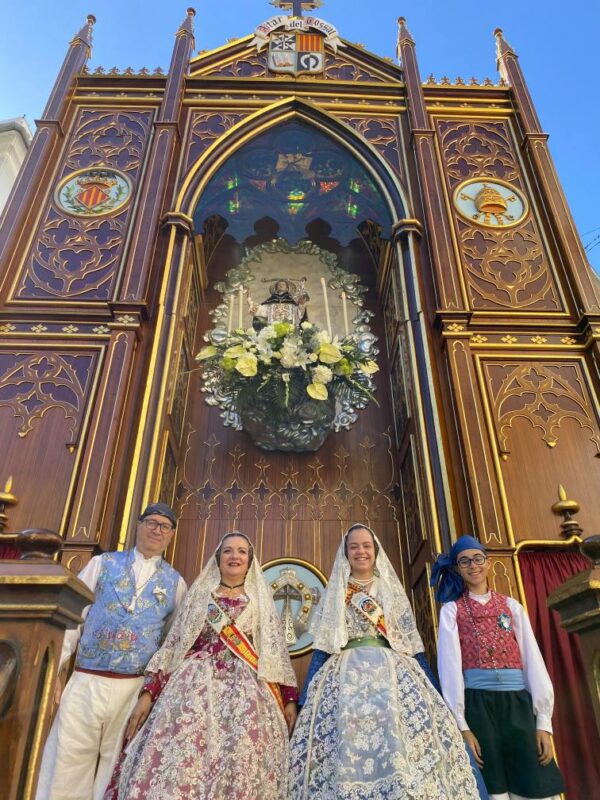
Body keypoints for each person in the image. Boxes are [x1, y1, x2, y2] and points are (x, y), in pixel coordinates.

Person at [288, 523, 482, 799]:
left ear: (376, 551)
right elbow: (323, 648)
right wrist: (305, 700)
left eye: (366, 545)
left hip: (390, 679)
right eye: (354, 546)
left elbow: (411, 645)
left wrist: (435, 693)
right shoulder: (336, 592)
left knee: (394, 746)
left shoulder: (389, 588)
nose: (360, 551)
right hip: (345, 682)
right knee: (348, 748)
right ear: (345, 553)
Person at [106, 531, 298, 800]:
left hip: (248, 691)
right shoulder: (199, 598)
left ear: (250, 561)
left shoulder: (261, 603)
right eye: (228, 550)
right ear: (218, 559)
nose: (235, 556)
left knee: (243, 755)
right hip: (193, 686)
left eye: (242, 551)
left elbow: (275, 652)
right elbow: (173, 646)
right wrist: (149, 693)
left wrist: (289, 697)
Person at [35, 503, 187, 800]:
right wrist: (55, 670)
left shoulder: (176, 583)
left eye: (164, 527)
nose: (157, 530)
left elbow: (172, 642)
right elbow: (72, 618)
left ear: (171, 536)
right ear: (138, 525)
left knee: (117, 767)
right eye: (151, 523)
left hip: (132, 688)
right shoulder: (102, 564)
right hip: (85, 680)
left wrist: (153, 693)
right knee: (67, 758)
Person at [431, 535, 565, 800]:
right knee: (492, 782)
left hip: (517, 704)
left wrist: (543, 722)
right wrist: (463, 725)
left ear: (488, 562)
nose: (473, 566)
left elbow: (533, 661)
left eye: (478, 559)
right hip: (478, 706)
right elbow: (450, 669)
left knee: (531, 778)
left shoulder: (511, 607)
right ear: (458, 568)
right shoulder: (451, 611)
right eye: (465, 561)